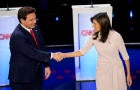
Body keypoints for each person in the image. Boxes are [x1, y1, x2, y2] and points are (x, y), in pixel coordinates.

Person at [58, 12, 132, 90]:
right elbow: (81, 52)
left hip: (116, 70)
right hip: (102, 70)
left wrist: (128, 74)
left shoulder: (116, 36)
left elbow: (125, 57)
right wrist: (63, 55)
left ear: (102, 23)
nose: (93, 26)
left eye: (95, 23)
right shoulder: (94, 36)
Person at [8, 6, 61, 90]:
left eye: (35, 18)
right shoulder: (18, 36)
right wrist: (53, 55)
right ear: (22, 20)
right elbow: (32, 52)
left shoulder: (36, 28)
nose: (34, 21)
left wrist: (46, 65)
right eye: (31, 20)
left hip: (36, 76)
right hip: (21, 79)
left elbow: (41, 47)